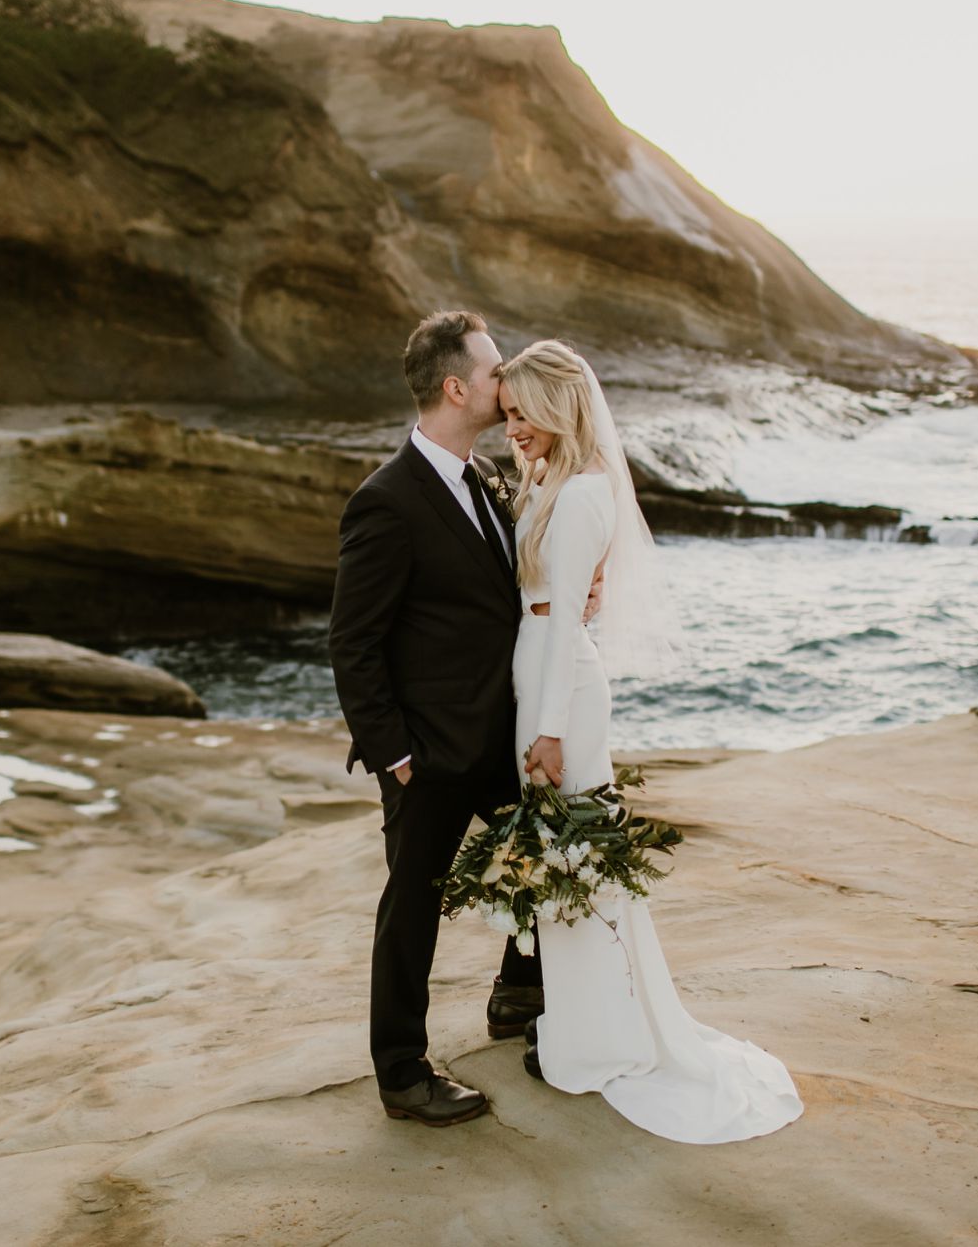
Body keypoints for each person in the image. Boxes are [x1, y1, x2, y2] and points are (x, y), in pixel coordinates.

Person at [499, 339, 804, 1144]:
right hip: (542, 677)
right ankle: (584, 1022)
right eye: (504, 415)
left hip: (560, 693)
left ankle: (602, 1037)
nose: (513, 428)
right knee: (566, 861)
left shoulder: (581, 494)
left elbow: (564, 619)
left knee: (581, 863)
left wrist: (550, 730)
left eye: (523, 411)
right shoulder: (555, 481)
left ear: (560, 404)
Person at [327, 310, 548, 1127]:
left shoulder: (484, 477)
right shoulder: (384, 501)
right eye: (495, 372)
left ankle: (518, 993)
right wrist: (394, 753)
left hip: (500, 739)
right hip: (427, 752)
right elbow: (353, 643)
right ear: (456, 386)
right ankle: (402, 1074)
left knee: (543, 857)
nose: (506, 382)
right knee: (412, 908)